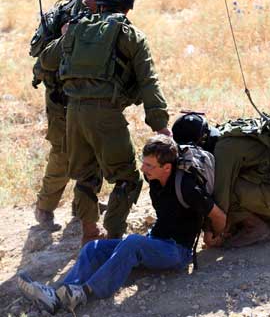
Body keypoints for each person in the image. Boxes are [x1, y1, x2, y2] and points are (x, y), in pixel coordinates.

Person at [17, 135, 226, 315]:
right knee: (93, 248)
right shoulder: (154, 180)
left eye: (149, 165)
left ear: (167, 167)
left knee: (133, 242)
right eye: (143, 162)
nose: (143, 169)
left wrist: (213, 237)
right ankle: (56, 295)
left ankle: (85, 292)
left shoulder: (188, 187)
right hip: (155, 243)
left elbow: (218, 216)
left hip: (177, 252)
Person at [39, 0, 172, 244]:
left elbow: (45, 62)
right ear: (127, 7)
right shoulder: (131, 35)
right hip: (106, 116)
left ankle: (89, 232)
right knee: (127, 179)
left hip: (73, 114)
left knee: (85, 177)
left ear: (99, 3)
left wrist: (64, 36)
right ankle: (112, 235)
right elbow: (149, 82)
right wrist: (160, 125)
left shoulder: (76, 28)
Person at [32, 0, 132, 231]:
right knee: (63, 155)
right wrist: (65, 35)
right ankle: (45, 208)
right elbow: (43, 61)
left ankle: (83, 207)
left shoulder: (105, 15)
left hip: (89, 97)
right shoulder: (69, 14)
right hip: (61, 98)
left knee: (92, 152)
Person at [172, 112, 270, 248]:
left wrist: (213, 231)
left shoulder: (224, 149)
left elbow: (221, 197)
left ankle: (255, 228)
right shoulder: (226, 132)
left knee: (227, 191)